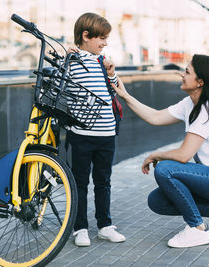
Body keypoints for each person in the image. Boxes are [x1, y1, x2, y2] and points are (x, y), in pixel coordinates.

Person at [111, 54, 209, 248]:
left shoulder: (207, 109)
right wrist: (125, 95)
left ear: (200, 81)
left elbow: (184, 155)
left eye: (187, 71)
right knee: (157, 201)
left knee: (165, 169)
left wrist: (155, 155)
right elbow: (155, 117)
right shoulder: (189, 104)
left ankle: (197, 229)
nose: (181, 75)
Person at [67, 12, 125, 247]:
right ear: (85, 36)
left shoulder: (103, 62)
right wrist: (66, 56)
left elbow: (116, 89)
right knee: (80, 183)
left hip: (106, 133)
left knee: (103, 181)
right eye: (101, 38)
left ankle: (105, 225)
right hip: (81, 134)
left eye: (106, 38)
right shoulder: (72, 60)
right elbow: (61, 84)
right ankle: (79, 228)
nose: (105, 43)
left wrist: (112, 74)